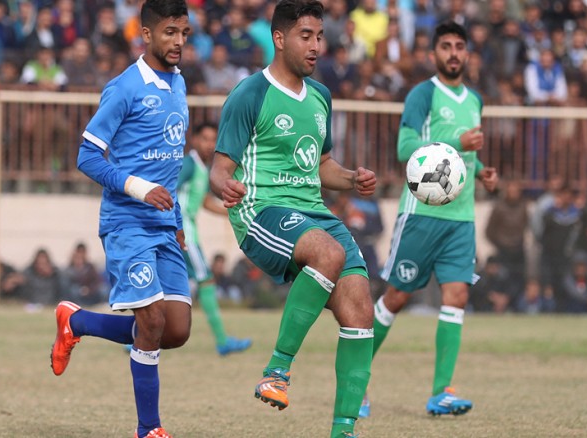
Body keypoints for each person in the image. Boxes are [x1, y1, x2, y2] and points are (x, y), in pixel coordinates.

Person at [209, 2, 377, 436]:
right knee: (328, 253)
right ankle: (277, 371)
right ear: (279, 39)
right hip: (261, 210)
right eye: (306, 36)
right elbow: (219, 168)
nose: (316, 45)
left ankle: (343, 431)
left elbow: (322, 166)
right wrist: (225, 185)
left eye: (319, 36)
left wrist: (351, 178)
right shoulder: (250, 94)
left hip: (313, 211)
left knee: (361, 308)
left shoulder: (321, 96)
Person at [49, 2, 191, 438]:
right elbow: (87, 156)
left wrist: (177, 219)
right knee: (151, 321)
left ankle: (77, 322)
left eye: (184, 33)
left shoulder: (178, 82)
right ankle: (149, 428)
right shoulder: (125, 87)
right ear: (145, 34)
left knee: (176, 330)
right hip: (127, 222)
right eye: (169, 32)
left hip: (164, 223)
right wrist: (138, 188)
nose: (179, 42)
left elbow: (169, 163)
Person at [366, 21, 498, 418]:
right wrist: (459, 142)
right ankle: (355, 377)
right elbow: (406, 148)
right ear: (433, 54)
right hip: (422, 214)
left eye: (460, 46)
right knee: (396, 297)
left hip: (461, 217)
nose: (453, 53)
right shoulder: (422, 94)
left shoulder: (475, 99)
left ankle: (441, 392)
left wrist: (480, 171)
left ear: (468, 54)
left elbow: (460, 159)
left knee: (457, 296)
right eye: (446, 46)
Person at [178, 122, 252, 355]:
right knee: (206, 280)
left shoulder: (203, 167)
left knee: (167, 285)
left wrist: (231, 213)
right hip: (184, 233)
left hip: (184, 232)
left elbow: (204, 201)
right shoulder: (189, 164)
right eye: (205, 139)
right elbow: (170, 190)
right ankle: (222, 341)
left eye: (213, 140)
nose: (209, 144)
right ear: (194, 140)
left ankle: (137, 340)